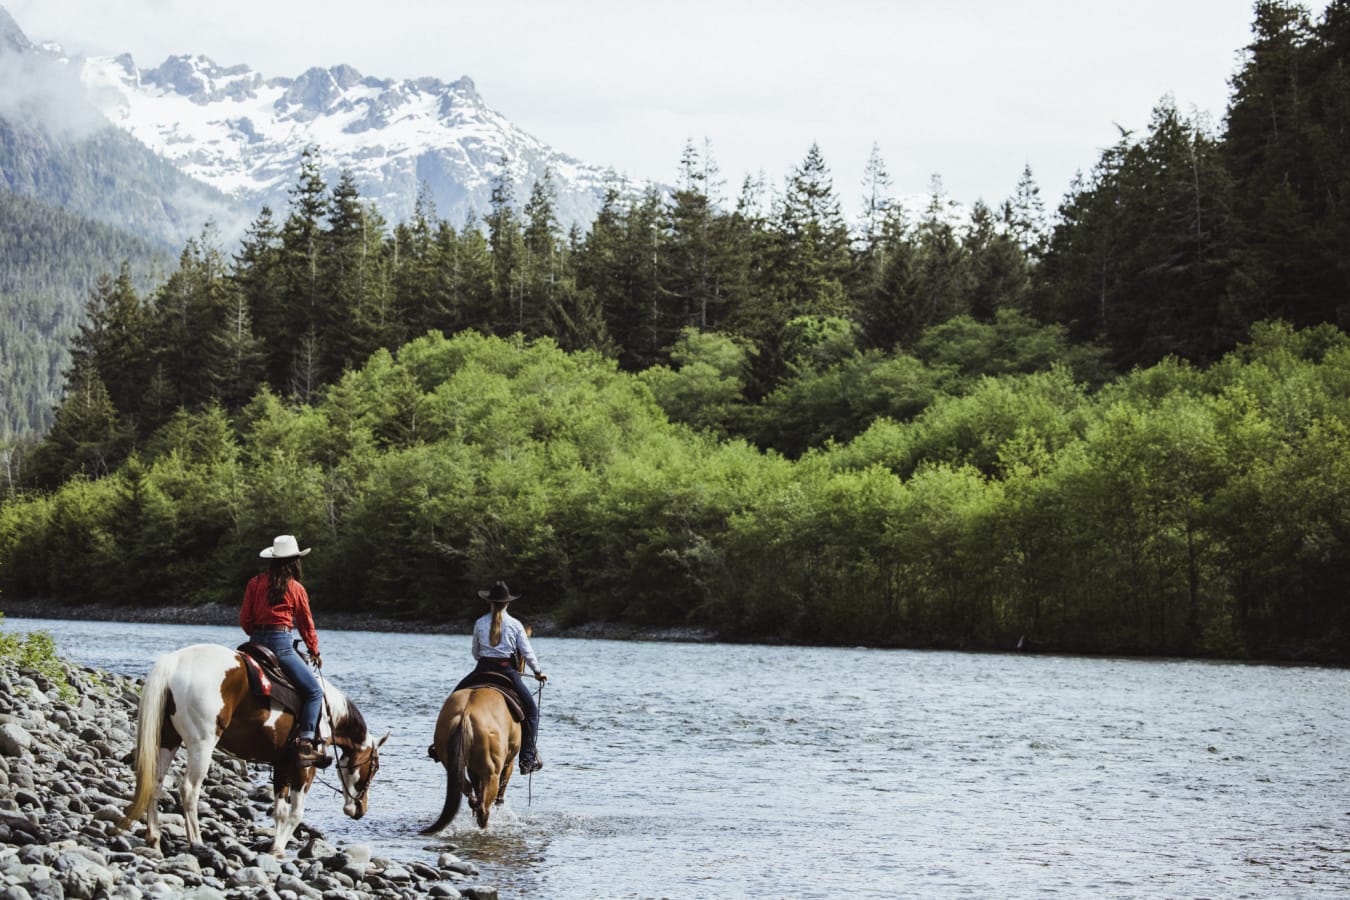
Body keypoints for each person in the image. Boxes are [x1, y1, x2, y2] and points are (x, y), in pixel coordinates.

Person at [240, 534, 330, 768]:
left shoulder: (254, 583)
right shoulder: (296, 588)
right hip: (281, 643)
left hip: (254, 641)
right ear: (294, 562)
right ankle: (306, 741)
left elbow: (245, 619)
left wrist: (256, 633)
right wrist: (314, 651)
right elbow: (306, 623)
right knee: (313, 692)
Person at [454, 581, 548, 773]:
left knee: (452, 700)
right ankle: (527, 760)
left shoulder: (480, 623)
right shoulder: (515, 625)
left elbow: (475, 652)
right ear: (507, 603)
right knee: (531, 712)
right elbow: (527, 652)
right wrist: (538, 672)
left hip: (481, 669)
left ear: (490, 602)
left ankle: (439, 748)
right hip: (506, 671)